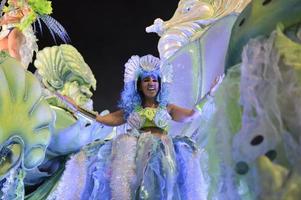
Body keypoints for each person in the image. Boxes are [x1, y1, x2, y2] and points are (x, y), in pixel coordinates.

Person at [52, 54, 209, 200]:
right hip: (136, 155)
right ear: (139, 86)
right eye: (146, 80)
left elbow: (191, 115)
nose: (151, 83)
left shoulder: (168, 108)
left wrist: (210, 95)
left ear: (160, 84)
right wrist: (76, 107)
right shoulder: (131, 110)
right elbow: (102, 119)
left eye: (155, 80)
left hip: (163, 155)